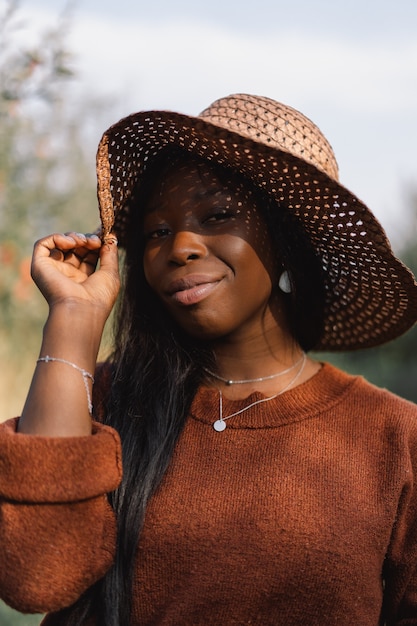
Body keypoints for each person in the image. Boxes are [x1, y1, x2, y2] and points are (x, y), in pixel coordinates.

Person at [0, 93, 417, 626]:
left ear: (288, 240)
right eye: (157, 232)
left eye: (218, 215)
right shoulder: (101, 403)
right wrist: (73, 318)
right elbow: (35, 578)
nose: (181, 247)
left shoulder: (394, 439)